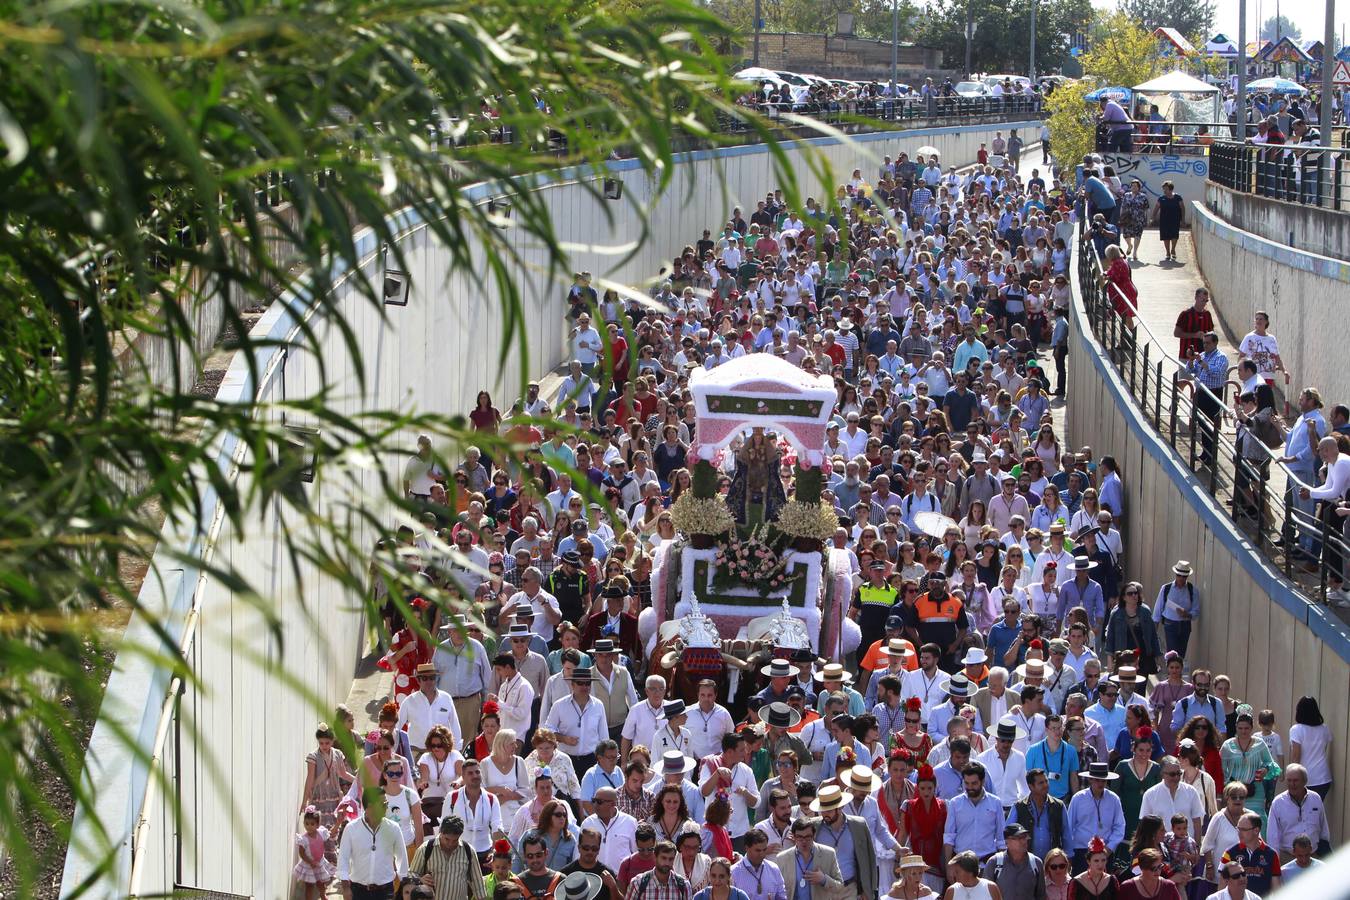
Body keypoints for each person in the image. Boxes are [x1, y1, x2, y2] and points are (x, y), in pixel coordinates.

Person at [337, 789, 409, 900]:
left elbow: (402, 860)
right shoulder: (351, 829)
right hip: (358, 891)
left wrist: (405, 888)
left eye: (387, 803)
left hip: (386, 892)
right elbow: (343, 859)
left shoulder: (393, 828)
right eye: (383, 804)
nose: (386, 807)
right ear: (370, 806)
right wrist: (346, 888)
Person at [812, 783, 879, 900]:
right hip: (823, 890)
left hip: (850, 889)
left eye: (829, 810)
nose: (824, 814)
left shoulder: (859, 825)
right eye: (823, 810)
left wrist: (868, 890)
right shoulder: (813, 826)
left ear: (840, 807)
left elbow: (869, 859)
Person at [411, 816, 489, 900]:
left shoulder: (469, 851)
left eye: (455, 840)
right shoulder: (425, 849)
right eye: (447, 839)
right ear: (440, 832)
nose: (450, 844)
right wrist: (420, 880)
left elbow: (478, 884)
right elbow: (411, 874)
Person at [1066, 763, 1125, 872]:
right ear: (1090, 780)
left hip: (1105, 852)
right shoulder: (1078, 799)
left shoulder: (1114, 799)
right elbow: (1069, 827)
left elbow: (1120, 826)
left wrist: (1109, 849)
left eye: (1103, 780)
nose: (1101, 783)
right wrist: (1069, 854)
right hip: (1082, 851)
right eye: (1097, 780)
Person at [981, 823, 1044, 900]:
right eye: (1018, 838)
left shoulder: (1036, 863)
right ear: (1007, 842)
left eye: (1024, 837)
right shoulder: (994, 863)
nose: (1023, 841)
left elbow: (1041, 895)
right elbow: (985, 894)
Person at [1288, 696, 1333, 800]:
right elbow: (1323, 749)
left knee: (1300, 811)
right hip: (1323, 777)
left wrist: (1291, 777)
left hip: (1304, 778)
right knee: (1315, 811)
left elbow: (1296, 756)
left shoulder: (1296, 729)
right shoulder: (1324, 728)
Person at [624, 841, 692, 900]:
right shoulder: (638, 883)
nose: (667, 863)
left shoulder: (684, 885)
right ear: (655, 857)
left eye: (671, 859)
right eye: (663, 858)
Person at [731, 830, 788, 900]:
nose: (762, 854)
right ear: (747, 848)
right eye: (758, 850)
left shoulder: (773, 869)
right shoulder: (733, 873)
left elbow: (782, 897)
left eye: (764, 850)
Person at [294, 807, 336, 900]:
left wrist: (336, 826)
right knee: (309, 886)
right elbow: (301, 853)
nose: (309, 826)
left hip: (320, 862)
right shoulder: (303, 839)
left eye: (312, 824)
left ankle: (322, 895)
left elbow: (329, 837)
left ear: (317, 825)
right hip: (309, 865)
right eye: (307, 824)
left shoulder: (321, 833)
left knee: (321, 882)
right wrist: (310, 861)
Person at [1115, 848, 1179, 900]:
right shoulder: (1127, 887)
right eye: (1153, 869)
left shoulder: (1169, 886)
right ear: (1141, 868)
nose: (1157, 871)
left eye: (1160, 867)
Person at [1153, 182, 1184, 262]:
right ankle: (1167, 252)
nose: (1164, 191)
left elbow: (1182, 208)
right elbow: (1156, 208)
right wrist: (1153, 218)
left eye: (1166, 189)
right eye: (1163, 189)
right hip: (1164, 220)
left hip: (1175, 219)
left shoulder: (1178, 197)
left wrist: (1182, 219)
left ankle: (1173, 249)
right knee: (1165, 236)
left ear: (1170, 189)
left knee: (1174, 235)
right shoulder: (1161, 198)